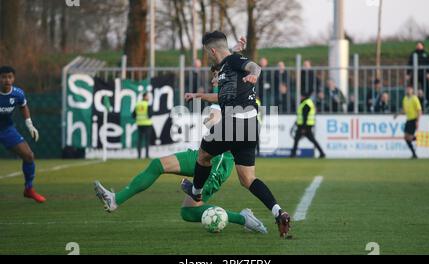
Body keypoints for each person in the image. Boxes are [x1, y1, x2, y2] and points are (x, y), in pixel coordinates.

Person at [183, 31, 291, 238]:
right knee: (248, 179)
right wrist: (199, 95)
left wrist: (254, 74)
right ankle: (279, 212)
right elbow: (222, 96)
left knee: (203, 155)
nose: (208, 56)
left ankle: (196, 192)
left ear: (212, 50)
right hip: (249, 126)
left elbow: (254, 66)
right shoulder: (226, 68)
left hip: (236, 121)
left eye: (208, 53)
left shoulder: (233, 60)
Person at [93, 149, 267, 234]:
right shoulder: (222, 89)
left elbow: (221, 115)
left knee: (188, 212)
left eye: (214, 76)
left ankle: (244, 218)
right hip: (203, 153)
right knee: (157, 165)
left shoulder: (231, 89)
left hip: (220, 159)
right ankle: (115, 200)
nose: (212, 80)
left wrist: (214, 118)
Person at [0, 66, 46, 203]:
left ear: (13, 78)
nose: (6, 80)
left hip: (7, 129)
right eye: (3, 77)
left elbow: (23, 106)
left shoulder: (18, 94)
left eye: (9, 77)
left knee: (28, 155)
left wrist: (29, 125)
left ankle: (29, 189)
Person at [290, 93, 326, 159]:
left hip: (305, 125)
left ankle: (293, 154)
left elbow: (305, 116)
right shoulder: (307, 102)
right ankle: (322, 153)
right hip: (306, 125)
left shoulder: (306, 104)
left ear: (304, 96)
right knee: (309, 139)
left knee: (298, 139)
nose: (300, 97)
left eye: (301, 96)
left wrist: (304, 128)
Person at [400, 85, 422, 159]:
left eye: (410, 89)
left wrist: (417, 121)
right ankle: (414, 154)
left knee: (409, 138)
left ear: (412, 90)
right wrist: (397, 114)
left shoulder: (414, 98)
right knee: (406, 137)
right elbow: (404, 110)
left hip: (413, 119)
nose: (408, 90)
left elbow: (419, 110)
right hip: (408, 120)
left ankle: (422, 139)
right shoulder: (405, 98)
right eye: (407, 89)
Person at [133, 93, 153, 159]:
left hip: (139, 124)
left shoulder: (137, 104)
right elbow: (150, 115)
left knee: (139, 140)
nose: (148, 98)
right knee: (147, 141)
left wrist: (139, 118)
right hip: (147, 124)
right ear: (144, 97)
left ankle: (139, 156)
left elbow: (133, 115)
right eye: (147, 96)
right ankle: (146, 155)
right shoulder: (147, 105)